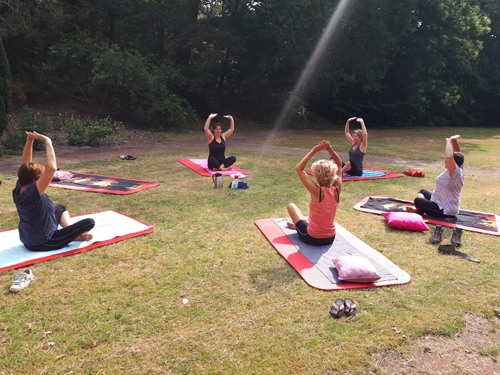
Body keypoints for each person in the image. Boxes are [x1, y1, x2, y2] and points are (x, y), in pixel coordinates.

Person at [12, 132, 95, 251]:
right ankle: (72, 236)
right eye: (41, 177)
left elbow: (25, 164)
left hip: (29, 238)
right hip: (44, 242)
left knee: (60, 208)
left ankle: (71, 234)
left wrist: (30, 140)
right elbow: (51, 169)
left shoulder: (20, 185)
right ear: (35, 180)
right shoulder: (32, 193)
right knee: (89, 222)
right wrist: (48, 142)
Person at [408, 135, 464, 246]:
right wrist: (454, 141)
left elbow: (449, 157)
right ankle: (419, 208)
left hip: (445, 209)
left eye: (448, 161)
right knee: (423, 192)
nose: (445, 161)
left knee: (417, 200)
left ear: (453, 163)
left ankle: (418, 209)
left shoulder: (456, 173)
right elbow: (458, 153)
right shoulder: (458, 168)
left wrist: (448, 141)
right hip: (438, 200)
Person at [287, 140, 343, 246]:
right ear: (333, 175)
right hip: (330, 237)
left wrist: (314, 150)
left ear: (315, 176)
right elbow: (339, 165)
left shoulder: (316, 191)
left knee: (291, 206)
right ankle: (300, 225)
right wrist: (329, 148)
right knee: (312, 217)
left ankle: (299, 226)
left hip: (312, 237)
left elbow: (299, 168)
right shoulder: (337, 189)